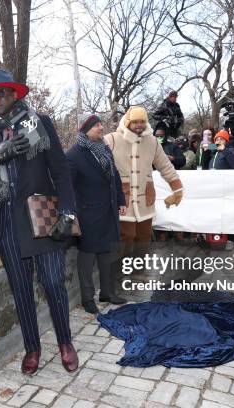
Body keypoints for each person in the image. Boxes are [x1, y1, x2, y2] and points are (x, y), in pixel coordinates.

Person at [0, 69, 78, 374]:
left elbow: (61, 169)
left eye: (0, 92)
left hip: (41, 216)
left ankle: (65, 342)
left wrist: (69, 211)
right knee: (21, 289)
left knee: (54, 283)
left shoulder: (37, 122)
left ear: (14, 94)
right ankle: (32, 348)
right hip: (6, 224)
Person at [104, 106, 184, 279]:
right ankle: (118, 270)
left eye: (142, 121)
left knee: (144, 236)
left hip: (145, 198)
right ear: (127, 122)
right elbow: (96, 161)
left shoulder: (153, 142)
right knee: (126, 235)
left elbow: (165, 165)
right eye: (135, 122)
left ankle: (139, 270)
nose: (139, 125)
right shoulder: (111, 139)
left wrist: (177, 188)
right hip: (122, 198)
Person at [66, 114, 128, 314]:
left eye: (101, 124)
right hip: (87, 213)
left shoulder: (104, 149)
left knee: (108, 252)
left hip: (109, 210)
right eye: (96, 125)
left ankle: (107, 292)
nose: (101, 128)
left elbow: (114, 176)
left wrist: (120, 200)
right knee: (87, 256)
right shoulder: (74, 154)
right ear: (85, 129)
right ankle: (87, 298)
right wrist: (73, 211)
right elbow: (67, 186)